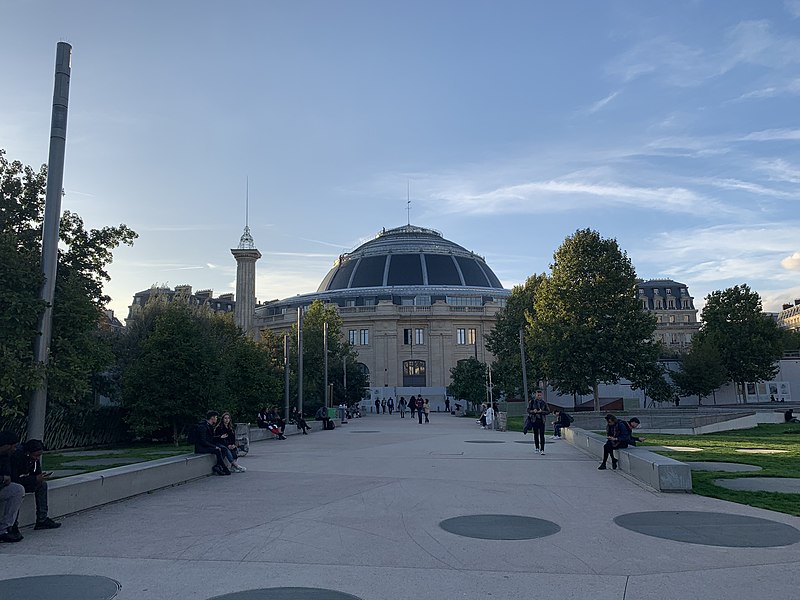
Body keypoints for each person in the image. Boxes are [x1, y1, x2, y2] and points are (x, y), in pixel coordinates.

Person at [10, 439, 61, 532]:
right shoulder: (16, 458)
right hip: (15, 484)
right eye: (36, 455)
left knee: (42, 485)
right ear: (28, 453)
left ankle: (42, 519)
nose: (37, 458)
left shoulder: (34, 460)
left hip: (26, 482)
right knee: (17, 491)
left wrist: (39, 478)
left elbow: (36, 472)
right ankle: (13, 524)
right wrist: (34, 479)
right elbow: (14, 479)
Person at [0, 431, 25, 543]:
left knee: (17, 490)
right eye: (13, 447)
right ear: (6, 446)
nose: (15, 449)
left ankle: (5, 529)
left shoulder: (5, 456)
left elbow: (8, 477)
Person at [527, 390, 549, 455]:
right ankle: (537, 448)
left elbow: (548, 411)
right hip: (534, 420)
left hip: (542, 420)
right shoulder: (532, 402)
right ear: (535, 395)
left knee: (542, 435)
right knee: (536, 435)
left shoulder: (544, 403)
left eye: (540, 395)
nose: (539, 396)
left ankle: (542, 449)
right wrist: (533, 411)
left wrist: (541, 411)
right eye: (538, 395)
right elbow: (528, 410)